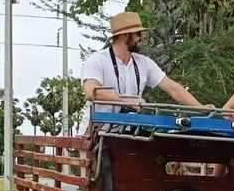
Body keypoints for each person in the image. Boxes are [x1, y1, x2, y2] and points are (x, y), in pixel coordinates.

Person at [78, 12, 206, 133]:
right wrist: (126, 101)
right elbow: (91, 91)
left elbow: (174, 89)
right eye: (138, 33)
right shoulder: (97, 60)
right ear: (124, 35)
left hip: (126, 133)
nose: (141, 38)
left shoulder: (144, 63)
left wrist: (202, 109)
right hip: (95, 134)